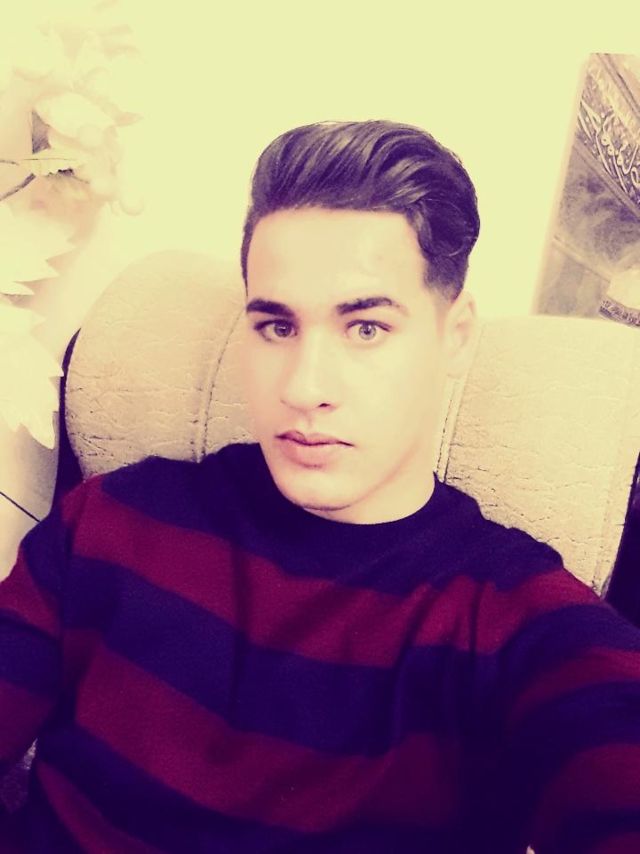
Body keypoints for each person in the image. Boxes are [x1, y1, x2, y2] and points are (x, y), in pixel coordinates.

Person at [1, 119, 640, 854]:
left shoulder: (513, 622)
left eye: (365, 329)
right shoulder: (109, 523)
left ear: (456, 335)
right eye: (277, 327)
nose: (304, 388)